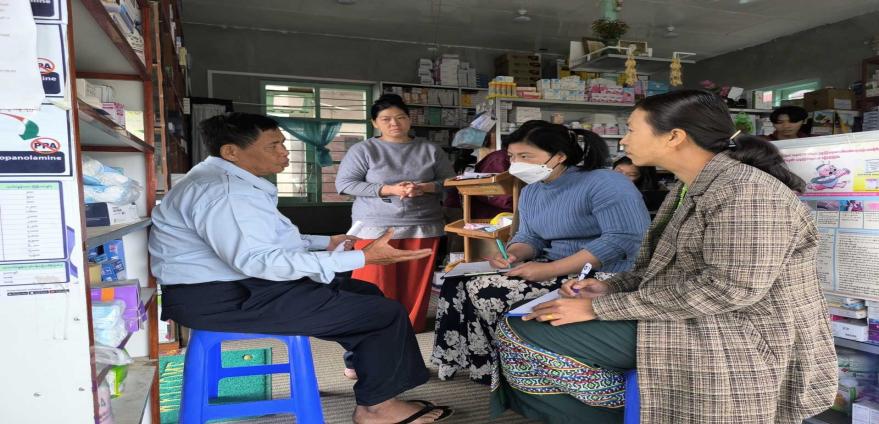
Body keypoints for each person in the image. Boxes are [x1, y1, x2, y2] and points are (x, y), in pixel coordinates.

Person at [491, 90, 836, 424]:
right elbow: (663, 267)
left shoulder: (746, 193)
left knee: (527, 332)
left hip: (737, 330)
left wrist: (600, 308)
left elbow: (730, 290)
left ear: (674, 137)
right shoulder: (690, 186)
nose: (623, 141)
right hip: (693, 312)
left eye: (631, 130)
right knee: (522, 322)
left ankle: (630, 409)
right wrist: (609, 288)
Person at [149, 112, 453, 424]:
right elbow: (261, 260)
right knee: (383, 314)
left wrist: (326, 241)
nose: (285, 152)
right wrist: (362, 258)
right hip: (225, 297)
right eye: (273, 146)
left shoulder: (222, 180)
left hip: (233, 286)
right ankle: (376, 410)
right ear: (231, 152)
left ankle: (368, 372)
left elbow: (262, 239)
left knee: (364, 292)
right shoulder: (225, 192)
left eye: (282, 143)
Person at [432, 122, 650, 384]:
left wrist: (550, 270)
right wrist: (512, 254)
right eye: (512, 157)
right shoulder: (531, 191)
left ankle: (513, 370)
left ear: (559, 156)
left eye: (526, 156)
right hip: (550, 265)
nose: (516, 164)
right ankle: (469, 361)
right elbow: (530, 237)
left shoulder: (605, 182)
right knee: (456, 281)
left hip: (603, 274)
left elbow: (622, 239)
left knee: (487, 290)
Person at [335, 94, 455, 333]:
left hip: (422, 224)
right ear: (375, 123)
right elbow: (345, 184)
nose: (394, 123)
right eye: (386, 119)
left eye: (400, 117)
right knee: (374, 281)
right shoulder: (364, 150)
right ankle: (372, 328)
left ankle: (410, 326)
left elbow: (451, 182)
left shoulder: (429, 149)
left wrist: (424, 187)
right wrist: (389, 189)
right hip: (374, 226)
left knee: (414, 282)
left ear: (409, 119)